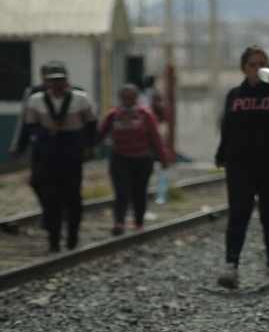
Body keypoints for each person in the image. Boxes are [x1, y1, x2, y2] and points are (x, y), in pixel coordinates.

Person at [215, 46, 269, 290]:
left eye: (262, 64)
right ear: (244, 68)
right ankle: (231, 266)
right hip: (241, 163)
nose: (258, 69)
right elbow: (228, 126)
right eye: (252, 65)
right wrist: (222, 152)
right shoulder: (235, 94)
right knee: (239, 212)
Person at [15, 61, 96, 252]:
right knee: (51, 198)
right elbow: (30, 125)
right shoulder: (36, 100)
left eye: (60, 80)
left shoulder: (80, 99)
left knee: (73, 198)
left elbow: (91, 124)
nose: (57, 84)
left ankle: (72, 237)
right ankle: (53, 239)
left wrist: (88, 146)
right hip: (48, 152)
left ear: (66, 80)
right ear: (47, 82)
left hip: (72, 152)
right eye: (53, 80)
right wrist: (47, 132)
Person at [97, 84, 170, 235]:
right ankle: (119, 222)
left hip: (141, 159)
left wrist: (163, 156)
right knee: (121, 192)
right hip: (120, 158)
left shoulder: (145, 115)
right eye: (125, 98)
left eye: (131, 98)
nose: (128, 101)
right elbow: (100, 134)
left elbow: (155, 137)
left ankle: (139, 222)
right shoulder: (113, 115)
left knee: (139, 192)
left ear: (136, 99)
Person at [8, 64, 50, 201]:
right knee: (37, 181)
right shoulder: (34, 93)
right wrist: (19, 145)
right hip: (40, 144)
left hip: (66, 146)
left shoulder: (72, 94)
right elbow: (25, 121)